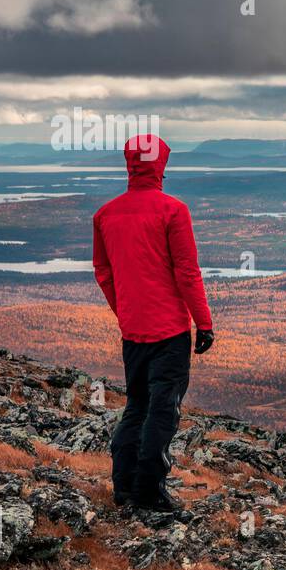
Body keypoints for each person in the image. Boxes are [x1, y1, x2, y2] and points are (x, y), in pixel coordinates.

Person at [92, 134, 214, 511]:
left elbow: (104, 273)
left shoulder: (105, 214)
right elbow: (186, 272)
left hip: (133, 332)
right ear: (161, 164)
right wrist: (204, 322)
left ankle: (124, 486)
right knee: (164, 410)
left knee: (137, 406)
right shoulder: (173, 211)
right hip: (170, 332)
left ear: (129, 163)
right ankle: (148, 492)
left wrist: (125, 311)